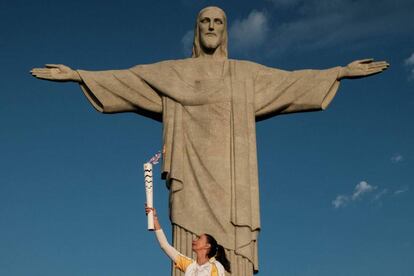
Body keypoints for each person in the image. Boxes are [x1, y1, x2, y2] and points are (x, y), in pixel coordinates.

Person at [31, 6, 389, 275]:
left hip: (233, 184)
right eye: (205, 21)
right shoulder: (175, 73)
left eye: (218, 22)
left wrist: (340, 71)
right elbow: (130, 80)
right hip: (190, 176)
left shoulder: (244, 75)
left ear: (226, 31)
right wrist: (79, 76)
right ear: (196, 29)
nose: (211, 27)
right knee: (185, 245)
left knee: (234, 246)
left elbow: (291, 82)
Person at [145, 205, 231, 276]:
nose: (195, 240)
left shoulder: (216, 267)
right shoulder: (189, 265)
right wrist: (155, 219)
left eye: (199, 238)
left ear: (207, 245)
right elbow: (165, 245)